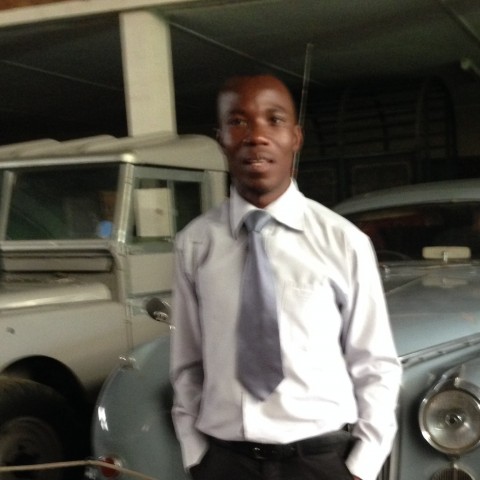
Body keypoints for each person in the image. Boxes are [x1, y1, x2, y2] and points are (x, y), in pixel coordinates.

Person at [170, 74, 401, 480]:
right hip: (226, 464)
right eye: (238, 122)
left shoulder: (343, 242)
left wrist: (361, 467)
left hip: (321, 462)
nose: (256, 136)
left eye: (273, 120)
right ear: (221, 139)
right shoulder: (195, 244)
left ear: (295, 137)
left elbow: (375, 363)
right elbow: (187, 363)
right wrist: (195, 454)